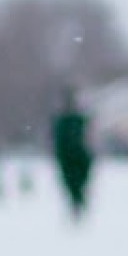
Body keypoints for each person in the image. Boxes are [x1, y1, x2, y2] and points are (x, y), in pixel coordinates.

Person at [50, 87, 95, 221]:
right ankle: (76, 202)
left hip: (74, 157)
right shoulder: (67, 121)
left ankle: (77, 202)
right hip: (70, 157)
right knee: (73, 183)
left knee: (75, 182)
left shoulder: (75, 120)